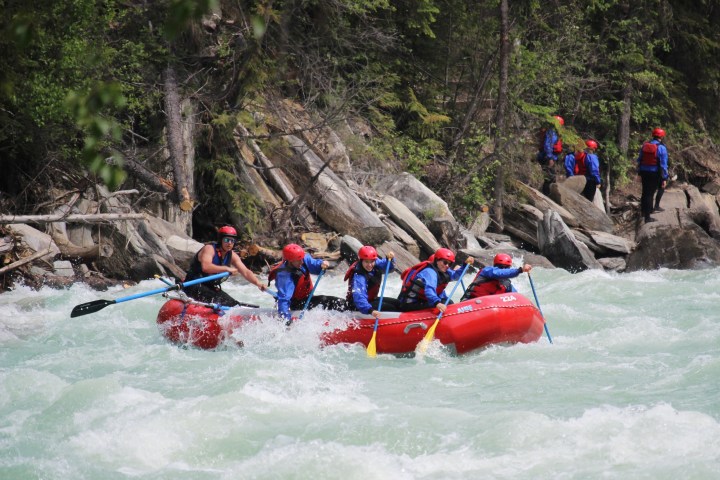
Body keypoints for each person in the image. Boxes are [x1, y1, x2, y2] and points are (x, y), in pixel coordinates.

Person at [183, 225, 266, 307]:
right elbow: (206, 267)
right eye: (226, 240)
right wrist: (226, 269)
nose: (229, 243)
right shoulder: (209, 249)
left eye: (232, 241)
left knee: (234, 304)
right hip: (193, 285)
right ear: (220, 240)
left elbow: (246, 272)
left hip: (209, 286)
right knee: (225, 302)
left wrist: (258, 283)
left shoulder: (232, 255)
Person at [269, 243, 344, 323]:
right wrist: (286, 320)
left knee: (338, 302)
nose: (301, 262)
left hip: (308, 298)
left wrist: (321, 264)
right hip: (298, 305)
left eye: (301, 259)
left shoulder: (302, 259)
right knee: (326, 301)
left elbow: (314, 264)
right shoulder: (285, 277)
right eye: (298, 261)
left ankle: (352, 311)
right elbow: (284, 300)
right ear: (290, 261)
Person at [395, 248, 473, 313]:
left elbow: (455, 276)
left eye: (450, 264)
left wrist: (465, 265)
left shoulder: (444, 270)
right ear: (437, 260)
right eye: (445, 262)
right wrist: (437, 303)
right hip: (411, 303)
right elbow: (429, 290)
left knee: (449, 302)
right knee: (446, 303)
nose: (447, 266)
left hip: (423, 300)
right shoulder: (430, 272)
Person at [344, 246, 398, 317]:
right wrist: (370, 310)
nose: (369, 265)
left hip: (370, 300)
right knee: (391, 308)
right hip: (359, 305)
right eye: (366, 262)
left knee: (397, 303)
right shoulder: (359, 275)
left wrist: (389, 259)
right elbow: (359, 295)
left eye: (372, 261)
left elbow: (388, 266)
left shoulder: (375, 262)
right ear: (361, 260)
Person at [461, 253, 531, 299]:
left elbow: (517, 298)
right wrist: (520, 270)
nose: (503, 269)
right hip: (471, 301)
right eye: (500, 266)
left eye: (506, 268)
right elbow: (499, 273)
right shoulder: (488, 270)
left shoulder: (507, 285)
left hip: (490, 308)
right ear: (495, 266)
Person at [637, 128, 669, 222]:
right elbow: (663, 165)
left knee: (645, 192)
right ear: (662, 136)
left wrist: (639, 170)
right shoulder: (661, 148)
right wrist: (664, 177)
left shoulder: (645, 145)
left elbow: (639, 159)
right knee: (650, 194)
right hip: (654, 173)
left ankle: (644, 212)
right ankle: (647, 217)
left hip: (644, 171)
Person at [536, 115, 564, 195]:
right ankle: (546, 194)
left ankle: (547, 193)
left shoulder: (553, 132)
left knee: (551, 177)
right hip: (547, 158)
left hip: (549, 157)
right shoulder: (551, 132)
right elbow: (547, 146)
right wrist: (550, 158)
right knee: (549, 177)